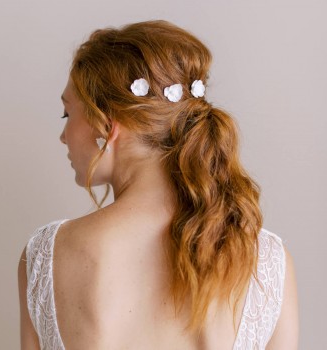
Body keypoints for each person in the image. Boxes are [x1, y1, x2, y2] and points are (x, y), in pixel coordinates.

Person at [18, 20, 299, 349]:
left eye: (67, 114)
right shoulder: (266, 261)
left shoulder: (47, 255)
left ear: (107, 125)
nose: (63, 136)